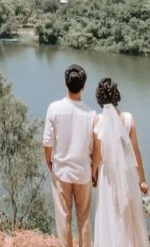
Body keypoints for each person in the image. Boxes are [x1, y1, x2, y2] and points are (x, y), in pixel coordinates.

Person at [90, 77, 150, 247]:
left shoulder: (98, 121)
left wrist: (93, 173)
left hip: (107, 175)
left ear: (100, 98)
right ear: (117, 96)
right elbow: (136, 151)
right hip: (128, 173)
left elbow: (97, 153)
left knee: (109, 214)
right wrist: (143, 180)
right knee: (129, 216)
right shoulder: (129, 119)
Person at [43, 63, 97, 247]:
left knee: (64, 218)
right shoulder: (91, 114)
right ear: (84, 87)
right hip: (83, 173)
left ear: (66, 84)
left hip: (61, 172)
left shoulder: (54, 109)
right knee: (84, 218)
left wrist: (49, 162)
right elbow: (95, 147)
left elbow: (47, 142)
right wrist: (94, 170)